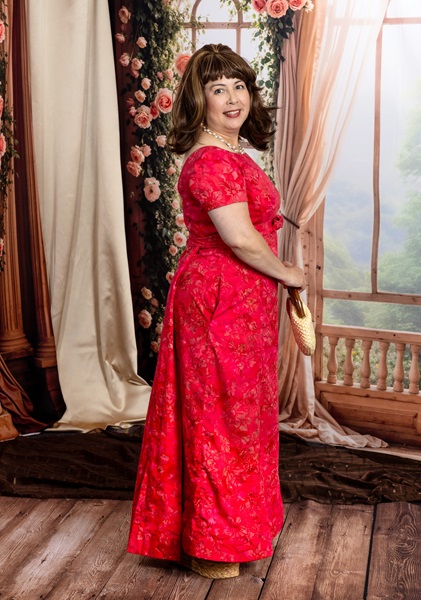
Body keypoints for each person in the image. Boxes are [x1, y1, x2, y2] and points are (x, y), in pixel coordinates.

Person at [127, 43, 305, 579]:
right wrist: (291, 274)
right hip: (219, 298)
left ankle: (231, 530)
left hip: (238, 298)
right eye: (217, 88)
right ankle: (210, 542)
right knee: (217, 417)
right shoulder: (210, 162)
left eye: (240, 85)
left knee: (240, 414)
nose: (233, 98)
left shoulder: (231, 154)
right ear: (199, 100)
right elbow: (242, 240)